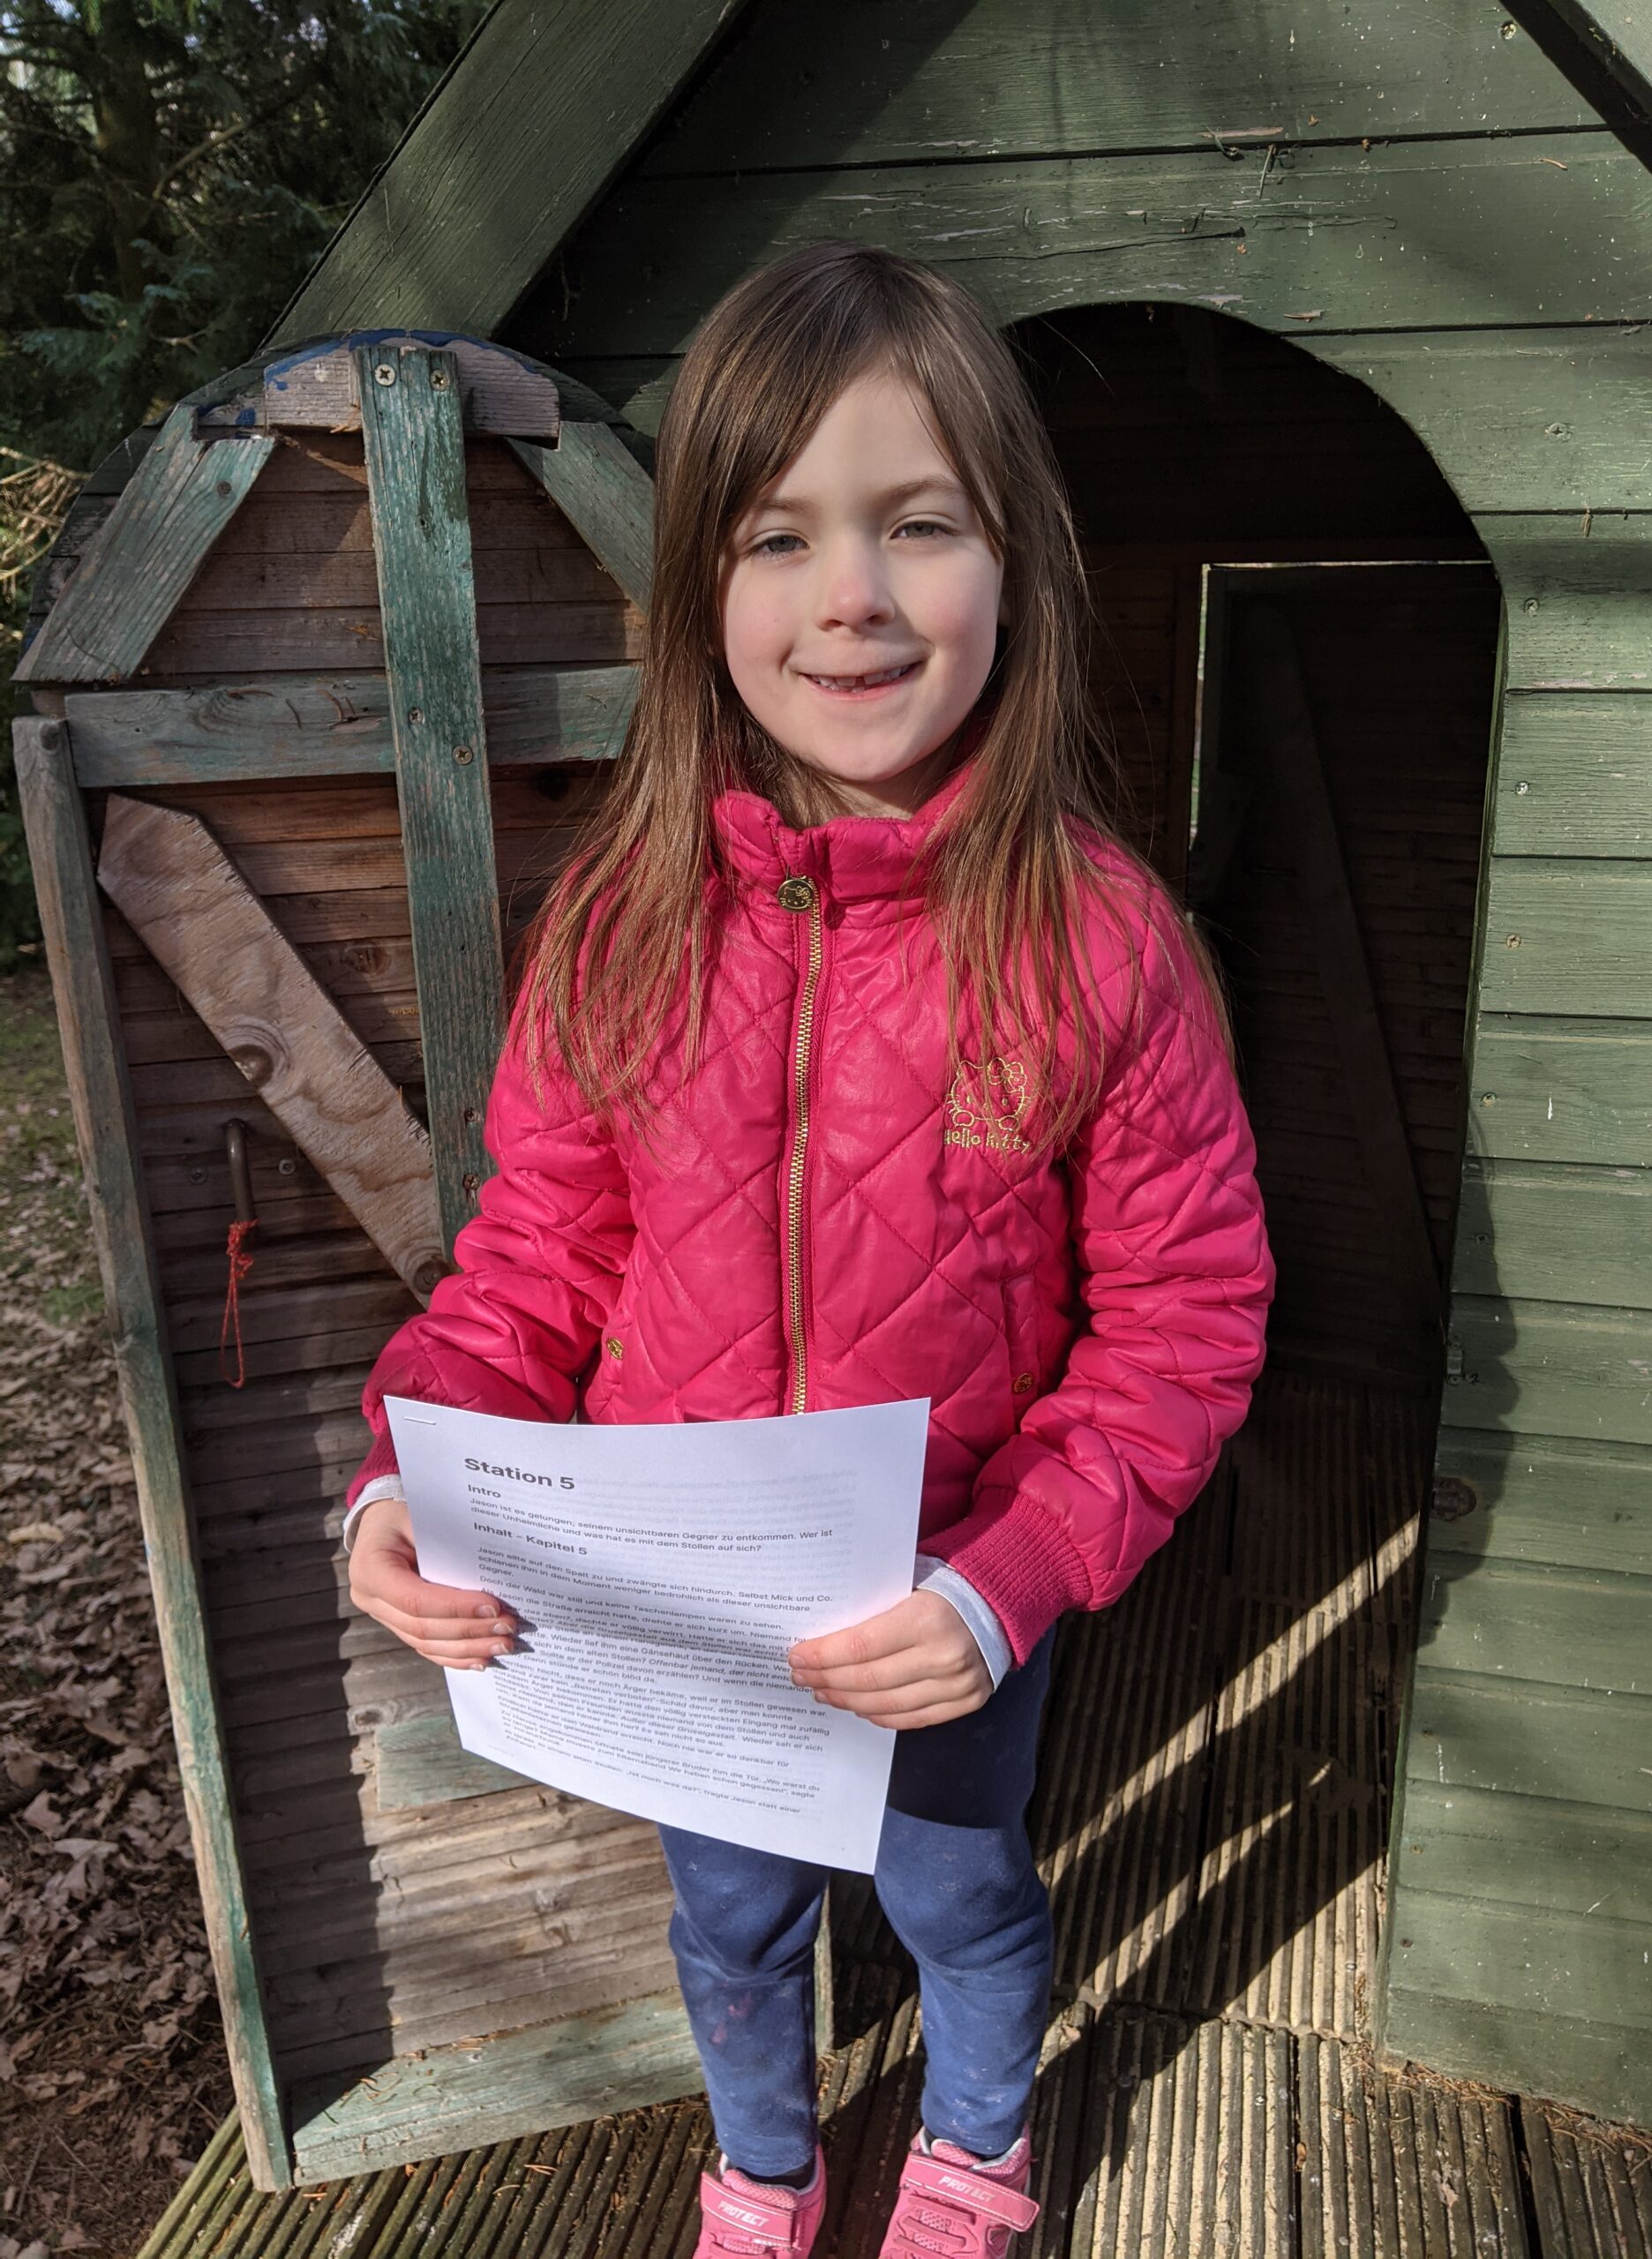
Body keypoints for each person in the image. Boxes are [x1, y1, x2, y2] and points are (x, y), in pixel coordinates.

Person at [342, 242, 1274, 2259]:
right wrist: (408, 1476)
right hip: (682, 1619)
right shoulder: (618, 920)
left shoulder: (1100, 938)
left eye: (918, 522)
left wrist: (1010, 1578)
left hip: (947, 1591)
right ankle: (766, 2165)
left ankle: (976, 2147)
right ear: (702, 591)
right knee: (733, 1912)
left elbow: (1186, 1319)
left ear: (1015, 565)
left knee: (961, 1895)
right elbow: (531, 1260)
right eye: (779, 535)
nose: (850, 590)